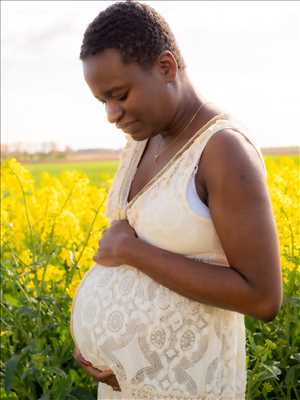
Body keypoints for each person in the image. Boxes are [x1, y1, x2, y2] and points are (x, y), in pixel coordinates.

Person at [71, 1, 282, 399]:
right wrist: (102, 346)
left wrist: (132, 252)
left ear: (166, 67)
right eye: (103, 101)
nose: (112, 115)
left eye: (119, 95)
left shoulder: (223, 151)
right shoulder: (141, 140)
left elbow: (263, 296)